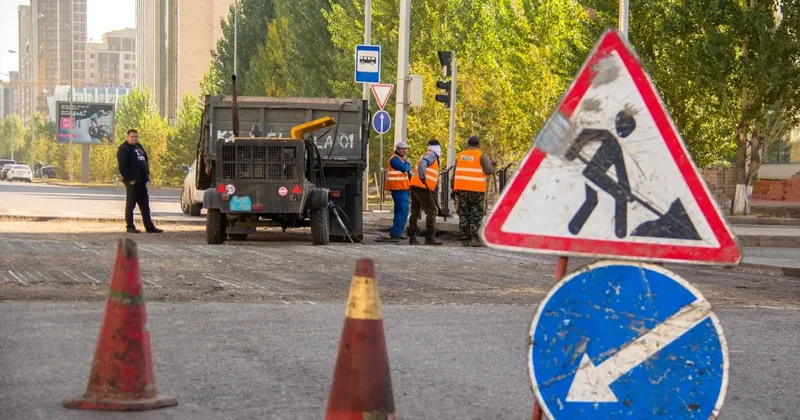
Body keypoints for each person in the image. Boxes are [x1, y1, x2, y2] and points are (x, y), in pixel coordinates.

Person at [452, 135, 497, 247]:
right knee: (476, 214)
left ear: (468, 144)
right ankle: (474, 239)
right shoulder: (481, 155)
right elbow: (488, 170)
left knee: (464, 213)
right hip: (476, 190)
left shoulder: (460, 156)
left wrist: (453, 188)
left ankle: (464, 238)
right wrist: (493, 166)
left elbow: (454, 174)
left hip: (462, 189)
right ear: (478, 145)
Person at [117, 129, 162, 234]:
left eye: (136, 137)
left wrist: (147, 174)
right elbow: (122, 167)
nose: (134, 139)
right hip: (132, 182)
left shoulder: (139, 147)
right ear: (127, 137)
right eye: (132, 137)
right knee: (131, 205)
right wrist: (130, 179)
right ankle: (130, 226)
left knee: (145, 205)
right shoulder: (123, 149)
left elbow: (145, 160)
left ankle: (149, 227)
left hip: (142, 181)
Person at [407, 139, 443, 245]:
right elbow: (423, 164)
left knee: (415, 212)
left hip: (414, 186)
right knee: (432, 211)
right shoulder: (432, 155)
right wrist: (422, 176)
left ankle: (412, 238)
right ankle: (429, 238)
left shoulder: (424, 154)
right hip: (423, 187)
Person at [384, 141, 412, 240]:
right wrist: (408, 163)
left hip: (401, 188)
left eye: (405, 149)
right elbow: (404, 168)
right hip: (398, 188)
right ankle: (396, 232)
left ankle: (396, 232)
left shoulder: (398, 158)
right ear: (397, 149)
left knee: (400, 211)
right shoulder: (395, 159)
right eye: (402, 149)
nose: (404, 151)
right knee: (402, 210)